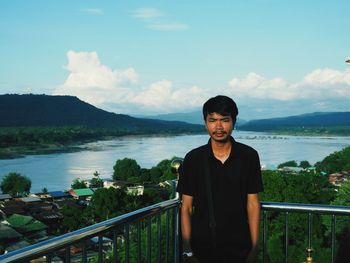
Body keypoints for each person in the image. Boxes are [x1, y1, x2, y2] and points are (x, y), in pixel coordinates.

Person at [177, 95, 263, 263]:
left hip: (240, 247)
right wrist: (188, 251)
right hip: (202, 248)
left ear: (234, 122)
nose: (218, 126)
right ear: (205, 123)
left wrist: (254, 248)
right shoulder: (194, 158)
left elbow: (253, 203)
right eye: (212, 120)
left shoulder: (248, 156)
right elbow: (186, 207)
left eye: (224, 120)